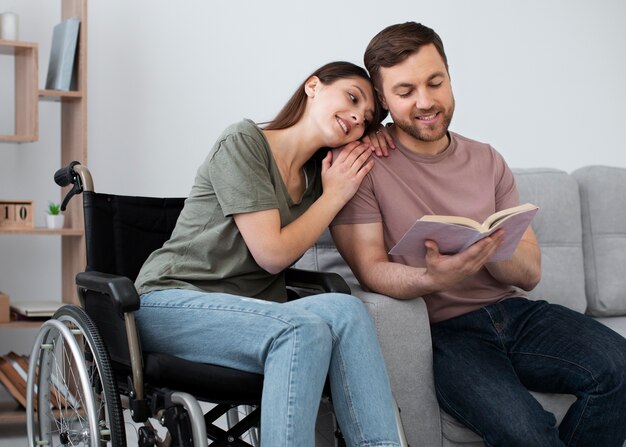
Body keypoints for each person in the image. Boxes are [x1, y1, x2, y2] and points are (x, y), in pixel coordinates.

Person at [331, 22, 626, 446]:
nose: (426, 101)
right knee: (526, 430)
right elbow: (370, 269)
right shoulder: (366, 166)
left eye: (436, 82)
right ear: (382, 99)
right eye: (406, 91)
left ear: (450, 77)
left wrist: (487, 246)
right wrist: (433, 280)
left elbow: (529, 275)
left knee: (618, 368)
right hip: (445, 333)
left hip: (516, 314)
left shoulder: (488, 159)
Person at [133, 61, 401, 447]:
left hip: (253, 314)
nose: (357, 116)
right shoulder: (243, 142)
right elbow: (271, 254)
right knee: (302, 329)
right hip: (171, 301)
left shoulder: (318, 175)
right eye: (352, 97)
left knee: (347, 311)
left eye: (367, 119)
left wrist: (381, 135)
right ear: (313, 86)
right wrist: (335, 196)